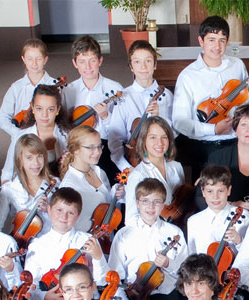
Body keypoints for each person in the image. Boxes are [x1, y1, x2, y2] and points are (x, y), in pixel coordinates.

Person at [172, 15, 249, 175]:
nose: (217, 46)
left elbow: (244, 102)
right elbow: (180, 122)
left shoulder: (237, 65)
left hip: (237, 141)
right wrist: (214, 129)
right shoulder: (188, 76)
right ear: (201, 41)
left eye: (222, 40)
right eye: (212, 39)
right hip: (205, 147)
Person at [109, 178, 188, 300]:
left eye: (156, 202)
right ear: (137, 203)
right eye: (145, 201)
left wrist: (168, 263)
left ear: (164, 204)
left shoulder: (174, 233)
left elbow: (185, 270)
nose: (151, 207)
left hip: (166, 299)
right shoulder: (124, 234)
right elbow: (113, 276)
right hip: (132, 299)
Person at [23, 187, 108, 300]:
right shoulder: (37, 245)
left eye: (71, 213)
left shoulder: (88, 241)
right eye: (59, 210)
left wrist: (98, 258)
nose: (64, 216)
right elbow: (29, 284)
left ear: (78, 216)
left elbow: (102, 281)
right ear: (49, 210)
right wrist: (44, 297)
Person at [62, 35, 124, 180]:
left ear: (100, 61)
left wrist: (105, 117)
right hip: (78, 148)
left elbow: (121, 130)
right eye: (82, 62)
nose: (88, 67)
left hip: (105, 146)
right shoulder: (68, 91)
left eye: (92, 61)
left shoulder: (114, 88)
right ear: (74, 63)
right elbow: (64, 126)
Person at [108, 40, 174, 169]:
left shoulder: (166, 96)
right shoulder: (123, 98)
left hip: (162, 161)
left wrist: (159, 118)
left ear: (155, 65)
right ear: (131, 67)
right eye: (137, 62)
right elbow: (115, 141)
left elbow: (174, 133)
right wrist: (127, 169)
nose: (143, 67)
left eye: (148, 61)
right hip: (133, 162)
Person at [59, 124, 122, 233]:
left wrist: (117, 194)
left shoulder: (99, 171)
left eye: (99, 146)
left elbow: (106, 204)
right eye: (91, 147)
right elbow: (69, 228)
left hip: (106, 237)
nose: (98, 152)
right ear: (76, 150)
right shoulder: (69, 186)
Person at [1, 84, 69, 183]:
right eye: (39, 108)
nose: (44, 115)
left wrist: (68, 163)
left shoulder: (68, 135)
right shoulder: (20, 136)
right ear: (32, 108)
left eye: (50, 109)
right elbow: (7, 174)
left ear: (58, 110)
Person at [0, 134, 58, 241]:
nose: (36, 163)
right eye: (29, 158)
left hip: (49, 243)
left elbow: (66, 219)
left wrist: (48, 209)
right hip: (20, 242)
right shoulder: (9, 189)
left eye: (40, 156)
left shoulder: (56, 184)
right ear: (20, 160)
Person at [123, 116, 185, 221]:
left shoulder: (177, 167)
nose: (159, 143)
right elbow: (131, 218)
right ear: (143, 141)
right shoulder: (138, 175)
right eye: (153, 137)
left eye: (164, 137)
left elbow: (182, 203)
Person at [0, 39, 58, 138]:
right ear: (23, 59)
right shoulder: (16, 87)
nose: (34, 63)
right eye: (29, 59)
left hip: (49, 137)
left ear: (45, 60)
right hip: (22, 137)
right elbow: (2, 116)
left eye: (39, 59)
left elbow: (62, 115)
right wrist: (16, 133)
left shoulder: (54, 85)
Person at [186, 164, 249, 255]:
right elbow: (192, 255)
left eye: (220, 191)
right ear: (203, 191)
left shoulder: (245, 217)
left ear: (229, 190)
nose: (215, 197)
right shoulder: (193, 221)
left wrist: (239, 241)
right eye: (209, 191)